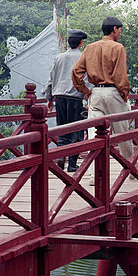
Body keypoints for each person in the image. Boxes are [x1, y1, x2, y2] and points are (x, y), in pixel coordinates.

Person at [71, 17, 138, 185]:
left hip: (95, 92)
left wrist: (85, 91)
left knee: (94, 136)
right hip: (113, 92)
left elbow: (76, 72)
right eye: (120, 30)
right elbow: (120, 76)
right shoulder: (118, 48)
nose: (120, 33)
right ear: (114, 29)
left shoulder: (90, 48)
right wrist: (124, 94)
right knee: (123, 133)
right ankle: (132, 168)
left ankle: (94, 176)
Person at [46, 29, 88, 172]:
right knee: (75, 131)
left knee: (62, 129)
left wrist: (49, 98)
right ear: (81, 43)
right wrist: (88, 96)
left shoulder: (59, 58)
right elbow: (87, 80)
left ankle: (61, 159)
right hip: (75, 98)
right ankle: (72, 164)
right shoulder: (83, 58)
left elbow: (51, 78)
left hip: (60, 98)